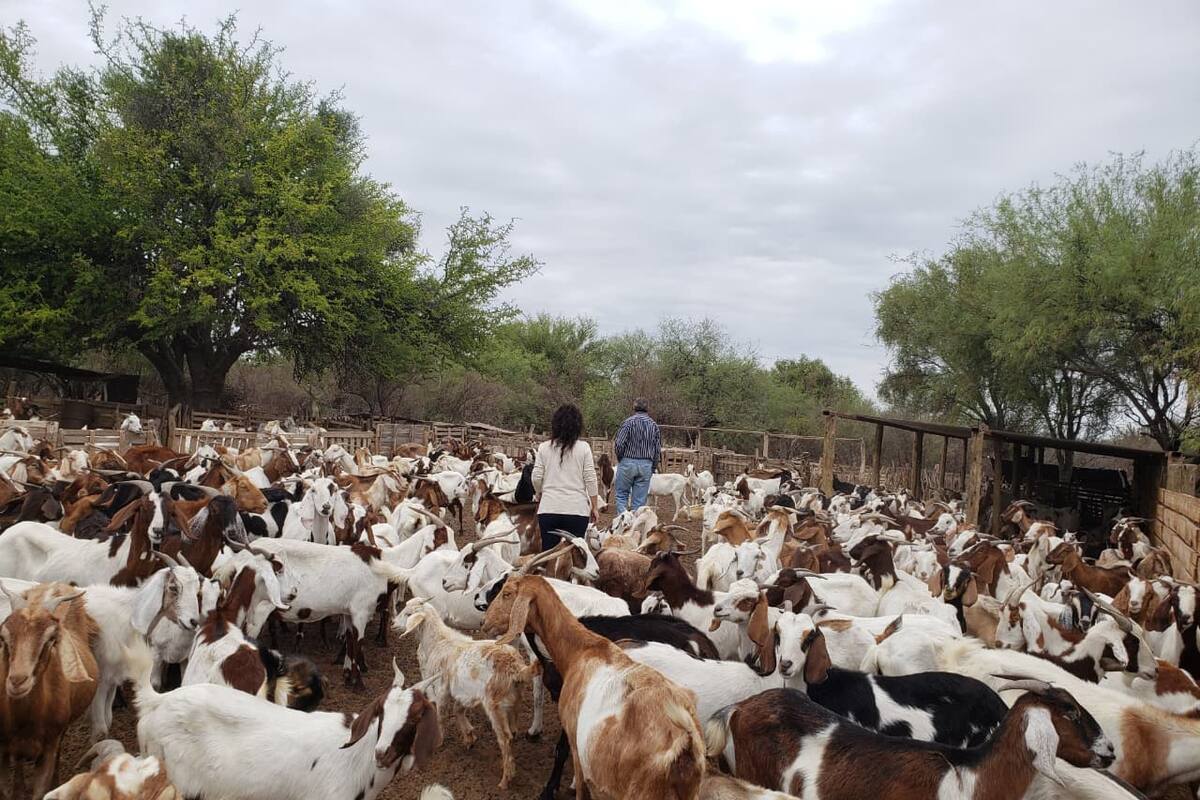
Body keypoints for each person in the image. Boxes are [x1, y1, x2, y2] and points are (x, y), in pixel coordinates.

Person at [531, 403, 600, 552]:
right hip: (577, 510)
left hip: (549, 509)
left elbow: (536, 477)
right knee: (575, 556)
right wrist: (594, 506)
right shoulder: (584, 448)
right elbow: (591, 479)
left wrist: (540, 493)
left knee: (549, 555)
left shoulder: (544, 448)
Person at [613, 397, 661, 515]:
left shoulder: (628, 423)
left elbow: (619, 444)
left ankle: (623, 521)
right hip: (646, 464)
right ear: (647, 408)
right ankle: (635, 523)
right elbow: (657, 450)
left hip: (627, 462)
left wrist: (621, 458)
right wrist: (653, 466)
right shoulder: (654, 425)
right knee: (639, 501)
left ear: (634, 407)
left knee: (622, 495)